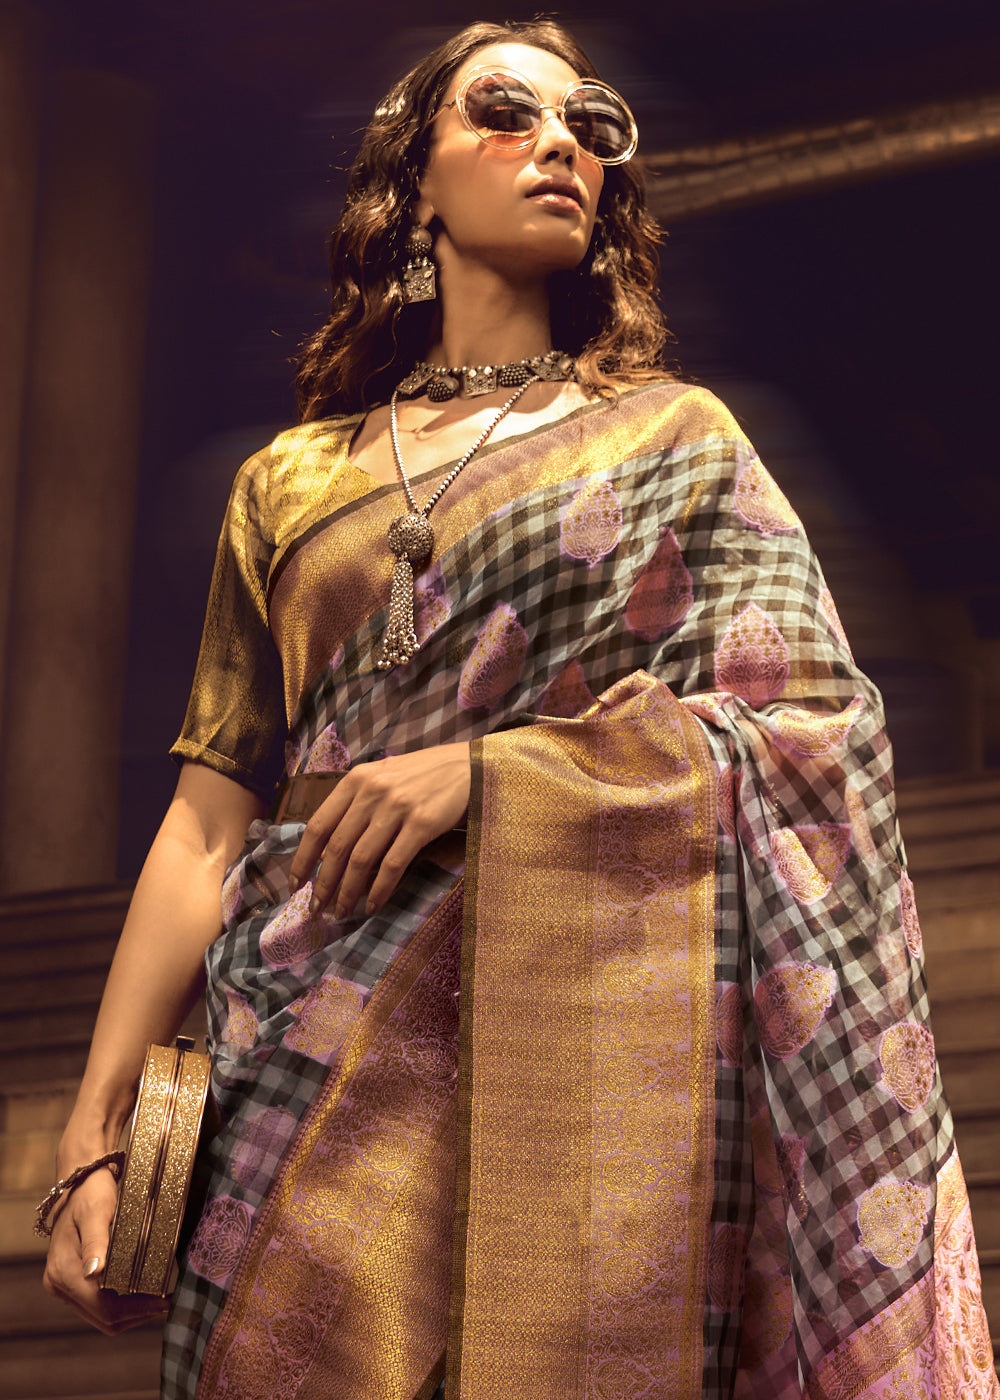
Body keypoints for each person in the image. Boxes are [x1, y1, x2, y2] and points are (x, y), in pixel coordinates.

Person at [41, 18, 997, 1400]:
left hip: (586, 1045)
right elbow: (205, 823)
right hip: (297, 1046)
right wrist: (93, 1132)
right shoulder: (286, 482)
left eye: (591, 127)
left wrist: (496, 775)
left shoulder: (677, 441)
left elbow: (812, 730)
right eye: (504, 110)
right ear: (414, 182)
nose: (560, 144)